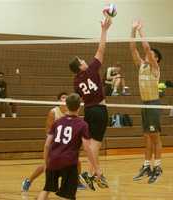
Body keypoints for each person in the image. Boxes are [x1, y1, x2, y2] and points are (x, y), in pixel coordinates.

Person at [69, 16, 111, 190]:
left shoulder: (76, 82)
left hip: (88, 111)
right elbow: (101, 49)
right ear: (80, 66)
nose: (85, 61)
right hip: (100, 110)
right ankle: (90, 173)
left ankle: (93, 174)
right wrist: (104, 30)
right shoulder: (92, 69)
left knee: (93, 145)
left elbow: (78, 100)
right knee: (96, 145)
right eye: (82, 61)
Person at [37, 93, 102, 200]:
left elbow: (47, 145)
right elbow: (87, 148)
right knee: (68, 196)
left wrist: (45, 163)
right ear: (79, 106)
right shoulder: (82, 124)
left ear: (66, 105)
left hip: (53, 161)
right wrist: (96, 168)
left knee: (46, 190)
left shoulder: (57, 122)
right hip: (69, 163)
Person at [22, 92, 86, 192]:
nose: (64, 99)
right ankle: (29, 181)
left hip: (65, 144)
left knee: (77, 162)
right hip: (54, 143)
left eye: (66, 98)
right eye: (62, 98)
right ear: (58, 101)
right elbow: (48, 130)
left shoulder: (72, 112)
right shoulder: (53, 112)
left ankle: (76, 182)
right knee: (46, 165)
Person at [130, 19, 163, 184]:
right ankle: (146, 165)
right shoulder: (141, 66)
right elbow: (133, 48)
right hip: (143, 104)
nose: (150, 56)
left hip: (153, 103)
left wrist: (141, 31)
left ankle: (157, 167)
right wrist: (133, 30)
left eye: (154, 56)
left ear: (156, 60)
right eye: (150, 56)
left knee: (155, 137)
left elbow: (146, 48)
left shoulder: (155, 69)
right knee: (147, 137)